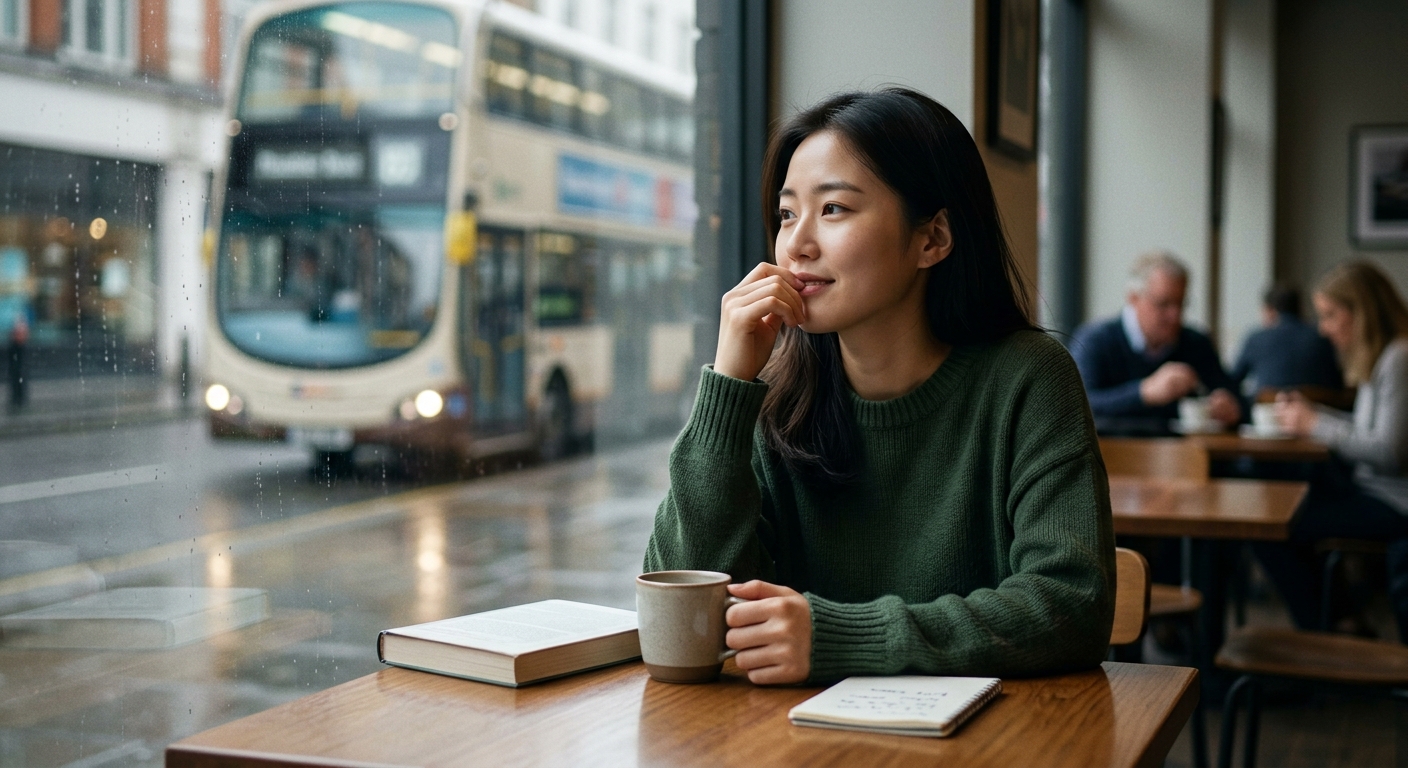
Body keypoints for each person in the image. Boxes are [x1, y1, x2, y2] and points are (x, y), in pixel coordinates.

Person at [643, 89, 1114, 686]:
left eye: (833, 209)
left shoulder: (1028, 378)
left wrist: (842, 637)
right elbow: (683, 611)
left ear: (932, 239)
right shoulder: (777, 396)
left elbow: (1073, 604)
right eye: (787, 214)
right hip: (789, 730)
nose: (796, 244)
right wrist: (728, 387)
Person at [1257, 261, 1408, 639]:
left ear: (1362, 311)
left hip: (1394, 502)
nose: (1323, 329)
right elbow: (1369, 431)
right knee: (1282, 505)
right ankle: (1339, 624)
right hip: (1375, 492)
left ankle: (1328, 633)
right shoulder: (1384, 356)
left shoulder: (1399, 358)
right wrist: (1314, 414)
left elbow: (1389, 452)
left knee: (1273, 524)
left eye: (1330, 315)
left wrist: (1315, 424)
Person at [1071, 253, 1242, 435]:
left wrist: (1229, 408)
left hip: (1187, 452)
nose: (1175, 316)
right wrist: (1144, 393)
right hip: (1114, 452)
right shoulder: (1094, 341)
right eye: (1163, 304)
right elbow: (1076, 407)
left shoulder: (1196, 344)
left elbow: (1240, 403)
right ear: (1133, 298)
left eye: (1181, 304)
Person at [1230, 284, 1342, 395]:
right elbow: (1336, 382)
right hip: (1319, 405)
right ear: (1300, 308)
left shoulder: (1256, 339)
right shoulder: (1321, 336)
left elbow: (1234, 381)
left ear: (1270, 310)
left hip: (1270, 405)